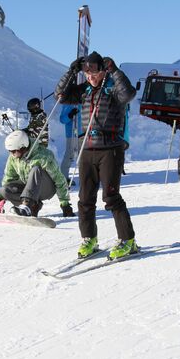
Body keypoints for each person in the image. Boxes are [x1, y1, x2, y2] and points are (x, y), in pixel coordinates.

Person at [55, 51, 137, 260]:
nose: (90, 77)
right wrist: (71, 72)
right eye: (86, 73)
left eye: (94, 73)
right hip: (87, 148)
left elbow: (128, 94)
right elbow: (61, 95)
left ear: (103, 70)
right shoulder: (84, 91)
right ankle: (89, 238)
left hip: (110, 148)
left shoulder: (112, 89)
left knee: (110, 196)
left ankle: (128, 240)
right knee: (85, 198)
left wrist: (115, 71)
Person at [0, 130, 75, 218]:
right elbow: (8, 178)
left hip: (46, 188)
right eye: (10, 151)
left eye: (13, 151)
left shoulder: (43, 156)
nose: (12, 154)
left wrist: (65, 204)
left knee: (36, 169)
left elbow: (59, 179)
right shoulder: (13, 157)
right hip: (29, 189)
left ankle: (27, 206)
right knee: (5, 190)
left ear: (22, 147)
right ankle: (32, 207)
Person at [59, 104, 79, 184]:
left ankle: (87, 177)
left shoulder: (84, 99)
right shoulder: (69, 103)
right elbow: (62, 119)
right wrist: (70, 115)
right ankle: (63, 178)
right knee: (69, 155)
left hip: (83, 132)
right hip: (72, 133)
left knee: (85, 156)